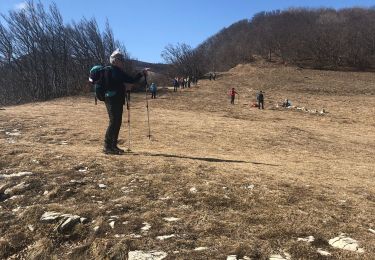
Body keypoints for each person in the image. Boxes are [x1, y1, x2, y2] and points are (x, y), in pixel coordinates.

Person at [103, 49, 148, 155]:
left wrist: (141, 73)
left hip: (118, 99)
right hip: (111, 99)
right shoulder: (110, 70)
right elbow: (111, 84)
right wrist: (124, 85)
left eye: (122, 59)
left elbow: (131, 79)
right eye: (120, 59)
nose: (122, 61)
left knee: (117, 122)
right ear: (114, 61)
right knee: (114, 121)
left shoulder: (118, 71)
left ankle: (113, 146)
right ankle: (107, 146)